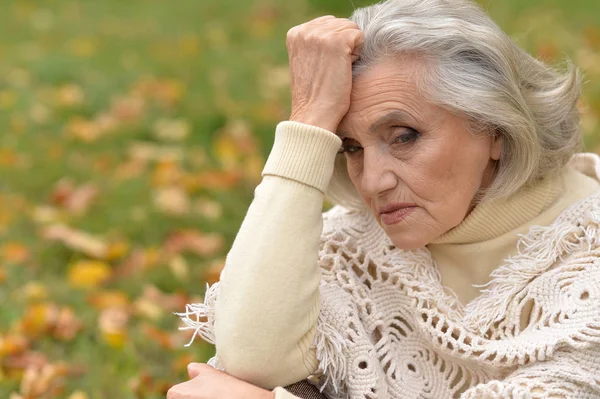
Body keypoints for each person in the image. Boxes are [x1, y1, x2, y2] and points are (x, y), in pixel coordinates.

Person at [168, 0, 600, 397]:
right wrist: (310, 119)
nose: (372, 182)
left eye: (404, 137)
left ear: (495, 129)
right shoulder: (355, 246)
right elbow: (250, 358)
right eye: (350, 147)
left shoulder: (588, 261)